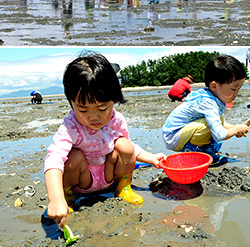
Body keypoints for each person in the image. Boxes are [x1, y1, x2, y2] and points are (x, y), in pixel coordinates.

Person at [44, 53, 166, 228]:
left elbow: (130, 148)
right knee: (73, 157)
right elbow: (54, 159)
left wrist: (151, 158)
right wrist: (56, 199)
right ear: (71, 102)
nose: (94, 117)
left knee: (123, 145)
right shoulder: (71, 126)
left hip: (108, 176)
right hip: (82, 181)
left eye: (102, 108)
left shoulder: (117, 120)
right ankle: (68, 197)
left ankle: (123, 188)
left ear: (114, 99)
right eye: (83, 110)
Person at [162, 55, 250, 166]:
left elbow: (220, 121)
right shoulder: (208, 102)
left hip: (181, 132)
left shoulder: (210, 96)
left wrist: (234, 127)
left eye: (239, 89)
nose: (236, 94)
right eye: (233, 89)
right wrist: (235, 130)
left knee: (215, 119)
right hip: (174, 136)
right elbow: (219, 135)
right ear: (214, 86)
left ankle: (205, 148)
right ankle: (194, 153)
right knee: (209, 125)